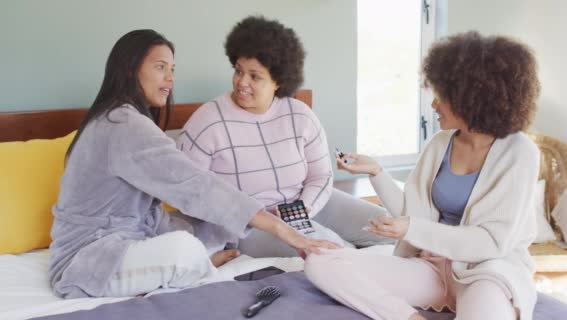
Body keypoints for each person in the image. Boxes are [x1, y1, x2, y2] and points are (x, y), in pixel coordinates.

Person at [48, 29, 338, 299]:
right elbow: (197, 186)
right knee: (185, 248)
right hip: (86, 263)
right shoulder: (123, 125)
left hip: (118, 245)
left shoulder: (120, 119)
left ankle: (195, 263)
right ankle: (197, 268)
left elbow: (151, 211)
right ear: (129, 68)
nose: (170, 78)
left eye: (172, 69)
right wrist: (283, 230)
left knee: (191, 239)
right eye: (160, 67)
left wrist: (201, 248)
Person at [304, 31, 541, 320]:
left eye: (441, 96)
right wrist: (376, 171)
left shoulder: (520, 152)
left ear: (472, 99)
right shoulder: (440, 143)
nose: (433, 105)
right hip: (430, 266)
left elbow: (490, 242)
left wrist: (409, 229)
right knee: (320, 262)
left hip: (486, 272)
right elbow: (412, 215)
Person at [177, 16, 390, 258]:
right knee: (331, 252)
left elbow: (321, 175)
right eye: (238, 71)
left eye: (254, 76)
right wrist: (257, 217)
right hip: (250, 226)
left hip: (308, 206)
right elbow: (189, 194)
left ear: (278, 81)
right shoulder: (207, 122)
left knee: (391, 230)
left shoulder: (300, 115)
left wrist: (304, 209)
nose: (242, 82)